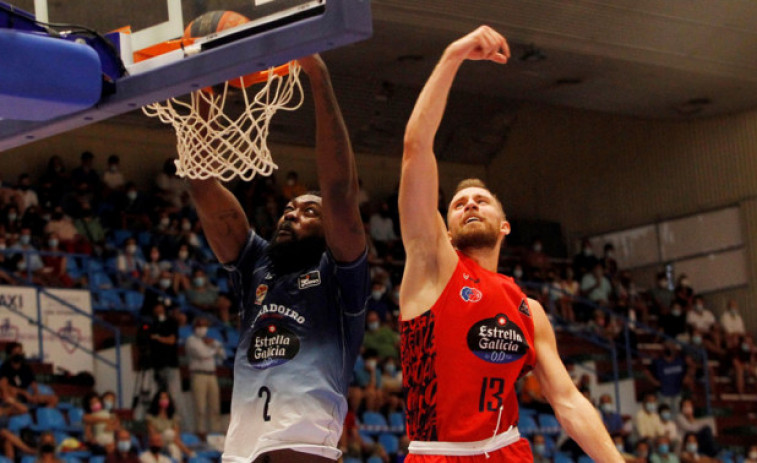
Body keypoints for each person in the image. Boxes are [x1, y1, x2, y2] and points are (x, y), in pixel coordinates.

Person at [398, 25, 622, 462]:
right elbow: (415, 148)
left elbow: (567, 400)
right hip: (437, 453)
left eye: (482, 200)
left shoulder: (528, 309)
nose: (470, 204)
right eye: (460, 203)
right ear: (445, 231)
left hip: (507, 451)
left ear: (504, 227)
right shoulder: (431, 265)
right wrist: (453, 56)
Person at [187, 54, 368, 463]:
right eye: (289, 208)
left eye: (309, 212)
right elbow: (201, 183)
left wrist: (319, 77)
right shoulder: (257, 263)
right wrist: (204, 88)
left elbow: (339, 191)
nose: (292, 213)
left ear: (330, 229)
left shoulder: (341, 273)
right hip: (242, 446)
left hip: (303, 439)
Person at [185, 317, 225, 437]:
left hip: (212, 375)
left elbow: (222, 355)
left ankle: (216, 432)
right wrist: (214, 348)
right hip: (199, 375)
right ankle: (200, 432)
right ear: (194, 328)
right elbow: (202, 354)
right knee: (200, 407)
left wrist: (213, 346)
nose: (202, 329)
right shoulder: (191, 340)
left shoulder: (211, 341)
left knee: (214, 406)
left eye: (204, 326)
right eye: (200, 326)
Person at [0, 342, 58, 408]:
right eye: (15, 352)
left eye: (20, 352)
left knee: (53, 399)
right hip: (15, 395)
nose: (18, 354)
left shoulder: (26, 367)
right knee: (11, 393)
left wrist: (36, 394)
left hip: (27, 395)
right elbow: (4, 385)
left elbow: (33, 383)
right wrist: (23, 393)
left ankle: (43, 415)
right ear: (10, 354)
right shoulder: (5, 367)